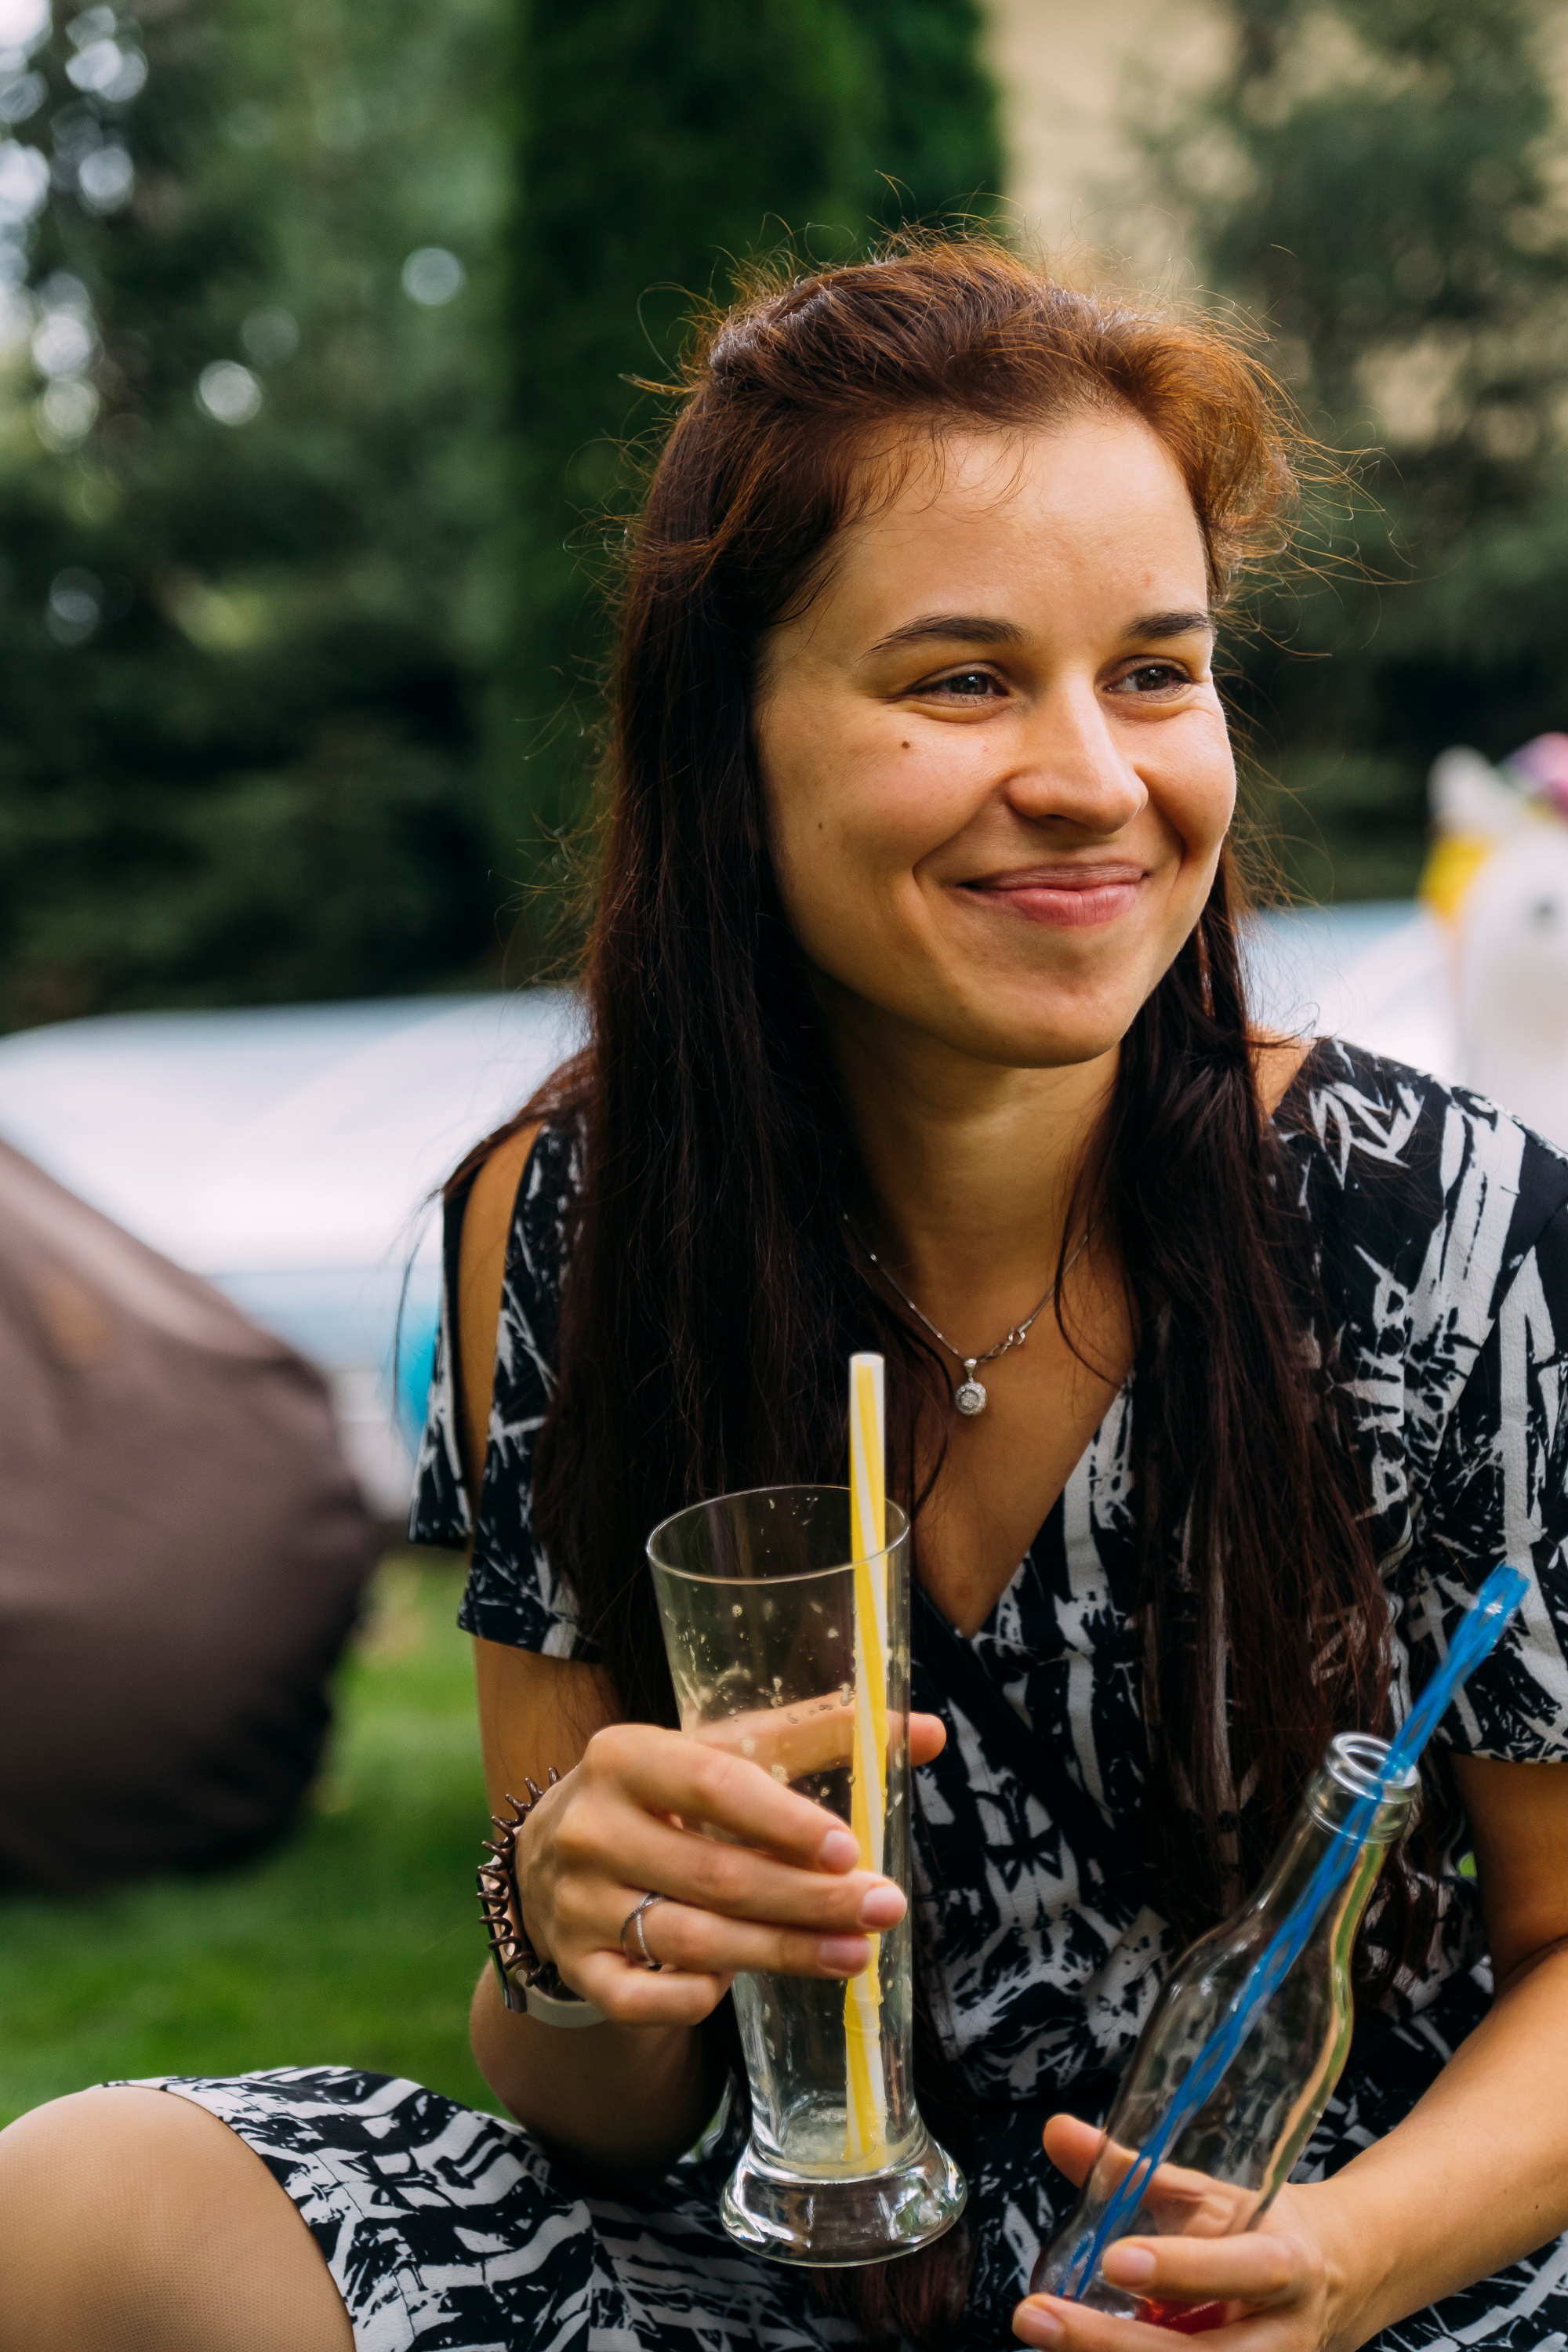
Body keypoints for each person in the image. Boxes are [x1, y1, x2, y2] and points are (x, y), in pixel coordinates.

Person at [2, 235, 1566, 2352]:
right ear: (731, 739)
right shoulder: (561, 1231)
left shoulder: (1441, 1230)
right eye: (960, 680)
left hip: (1334, 2281)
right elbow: (588, 2103)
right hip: (796, 2284)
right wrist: (569, 1924)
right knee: (82, 2205)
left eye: (1157, 670)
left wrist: (1342, 2263)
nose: (1095, 780)